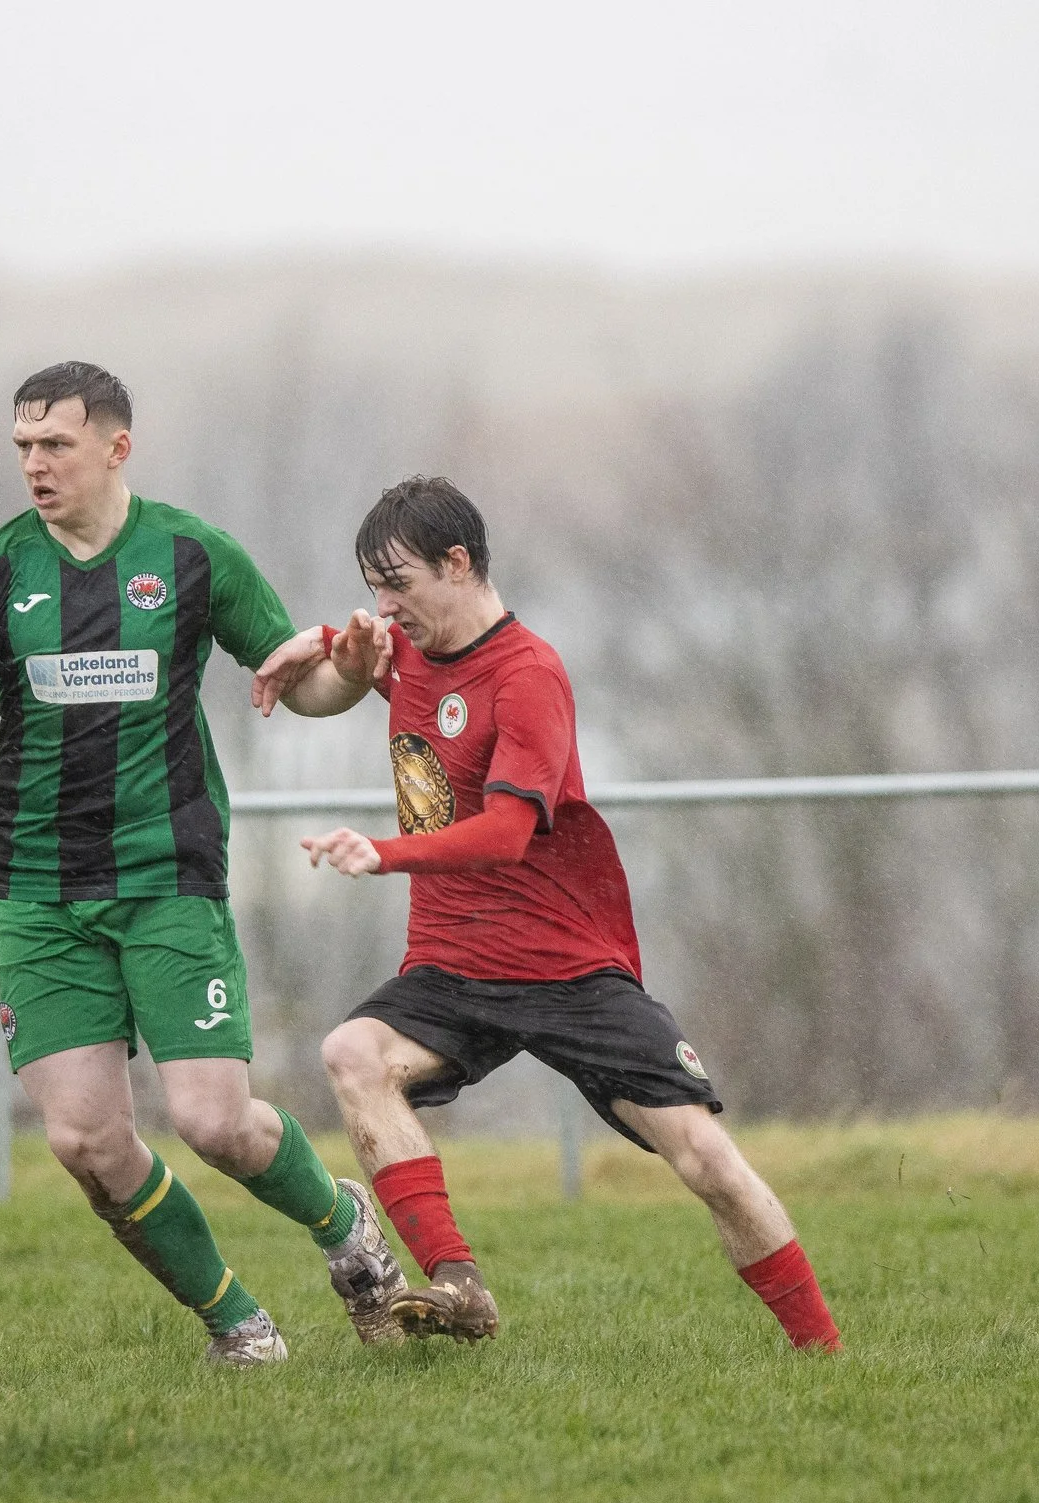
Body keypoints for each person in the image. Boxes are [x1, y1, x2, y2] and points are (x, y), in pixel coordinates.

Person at [0, 361, 405, 1366]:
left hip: (168, 879)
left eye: (56, 446)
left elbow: (299, 683)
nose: (35, 464)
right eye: (23, 447)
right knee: (86, 1142)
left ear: (117, 447)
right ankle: (238, 1325)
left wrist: (353, 670)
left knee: (214, 1122)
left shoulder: (193, 553)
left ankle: (345, 1228)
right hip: (36, 892)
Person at [267, 475, 843, 1352]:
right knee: (353, 1054)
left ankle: (824, 1353)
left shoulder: (530, 675)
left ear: (457, 564)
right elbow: (343, 674)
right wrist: (317, 644)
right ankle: (458, 1284)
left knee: (707, 1162)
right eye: (373, 587)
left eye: (400, 584)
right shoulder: (410, 649)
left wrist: (383, 851)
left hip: (566, 965)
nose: (385, 606)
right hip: (455, 961)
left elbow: (504, 835)